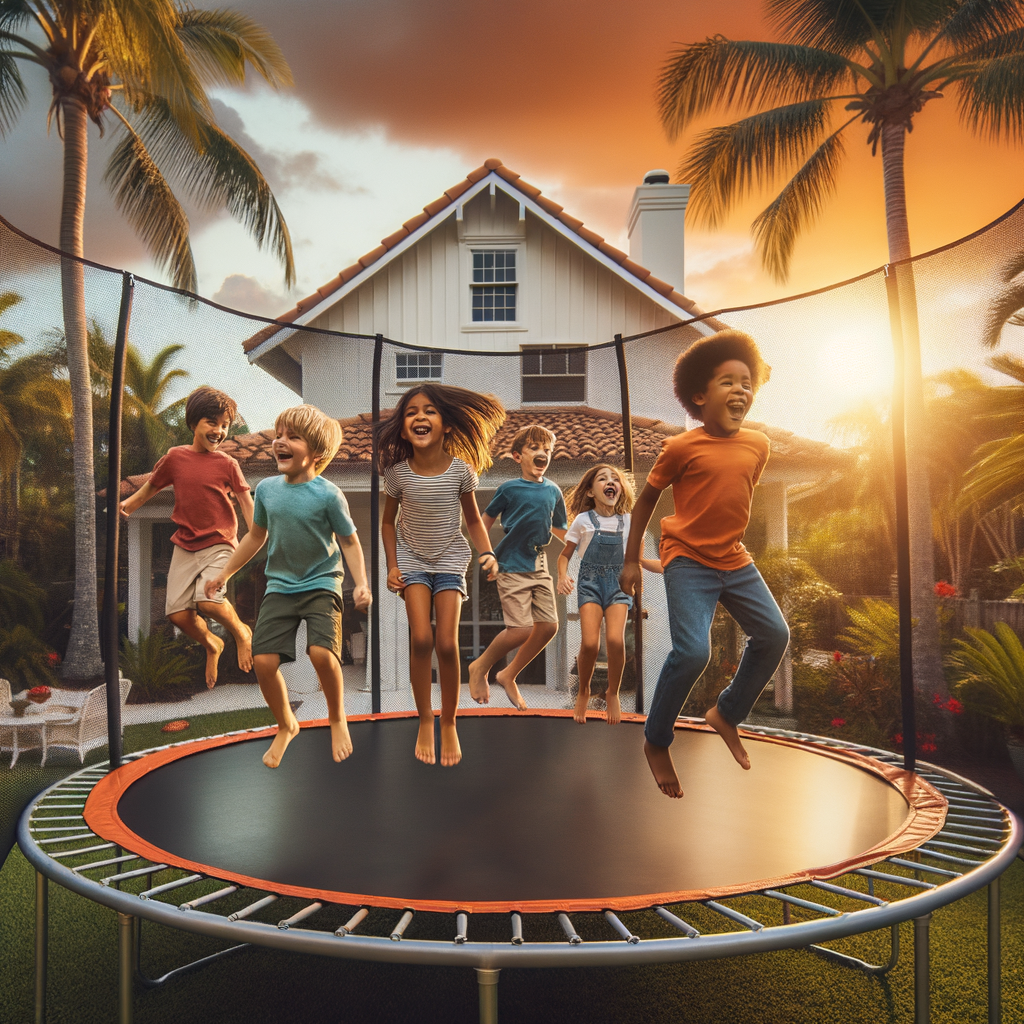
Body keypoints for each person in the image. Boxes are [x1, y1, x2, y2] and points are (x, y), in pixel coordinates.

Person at [619, 330, 790, 798]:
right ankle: (657, 740)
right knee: (694, 652)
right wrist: (633, 559)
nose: (740, 390)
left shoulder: (759, 446)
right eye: (727, 382)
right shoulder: (680, 448)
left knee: (775, 634)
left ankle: (726, 713)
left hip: (734, 559)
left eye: (746, 382)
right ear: (699, 395)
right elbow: (645, 502)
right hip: (687, 560)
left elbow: (737, 496)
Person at [205, 405, 371, 769]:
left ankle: (337, 717)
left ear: (316, 453)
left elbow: (350, 542)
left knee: (322, 654)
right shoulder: (266, 490)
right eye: (279, 435)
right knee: (263, 661)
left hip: (322, 583)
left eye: (292, 437)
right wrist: (225, 574)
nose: (280, 442)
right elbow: (255, 537)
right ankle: (286, 724)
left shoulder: (329, 495)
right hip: (280, 586)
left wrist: (361, 584)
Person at [379, 384, 505, 767]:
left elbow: (472, 519)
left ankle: (448, 721)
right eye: (412, 412)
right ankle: (424, 718)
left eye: (430, 411)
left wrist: (486, 552)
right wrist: (392, 565)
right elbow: (387, 523)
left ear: (446, 424)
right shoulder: (398, 475)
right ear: (403, 429)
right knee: (421, 639)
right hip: (413, 560)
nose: (420, 417)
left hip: (450, 560)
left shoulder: (461, 472)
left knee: (447, 646)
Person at [120, 386, 254, 688]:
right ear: (193, 423)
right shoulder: (175, 458)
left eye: (224, 425)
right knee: (178, 615)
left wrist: (257, 533)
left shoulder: (227, 464)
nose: (219, 431)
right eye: (212, 422)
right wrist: (129, 505)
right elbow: (151, 488)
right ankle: (212, 644)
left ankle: (241, 632)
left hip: (221, 541)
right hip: (186, 543)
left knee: (207, 600)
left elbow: (247, 503)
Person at [468, 424, 567, 710]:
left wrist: (584, 542)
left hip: (538, 564)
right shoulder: (509, 489)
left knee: (548, 626)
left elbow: (561, 529)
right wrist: (487, 554)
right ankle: (481, 666)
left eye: (547, 450)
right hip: (510, 563)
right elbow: (482, 522)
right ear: (517, 456)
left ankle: (509, 673)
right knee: (521, 629)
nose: (542, 454)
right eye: (534, 448)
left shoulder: (553, 490)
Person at [557, 464, 661, 724]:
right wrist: (562, 576)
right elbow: (564, 555)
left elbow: (634, 559)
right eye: (602, 479)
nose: (609, 481)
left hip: (619, 584)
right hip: (590, 582)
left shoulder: (629, 521)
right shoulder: (583, 520)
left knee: (615, 641)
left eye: (615, 478)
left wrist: (654, 568)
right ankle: (583, 690)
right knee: (591, 644)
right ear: (591, 491)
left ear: (620, 489)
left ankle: (612, 693)